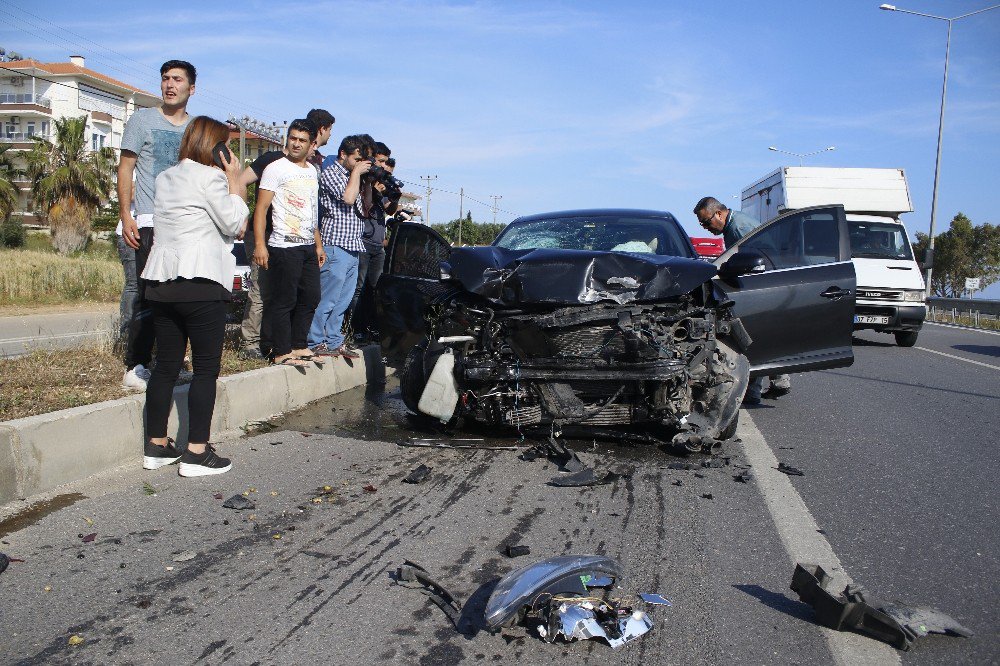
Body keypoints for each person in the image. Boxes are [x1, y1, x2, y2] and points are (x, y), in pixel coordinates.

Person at [140, 116, 247, 476]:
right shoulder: (212, 177)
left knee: (166, 366)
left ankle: (156, 447)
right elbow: (235, 224)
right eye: (226, 145)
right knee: (205, 370)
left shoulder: (165, 176)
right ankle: (197, 453)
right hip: (200, 283)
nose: (229, 151)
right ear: (215, 147)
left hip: (162, 281)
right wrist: (235, 183)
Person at [118, 60, 196, 391]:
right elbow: (125, 167)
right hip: (149, 220)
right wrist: (126, 216)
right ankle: (136, 365)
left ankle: (169, 362)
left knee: (179, 296)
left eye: (177, 79)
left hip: (183, 224)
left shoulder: (195, 129)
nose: (169, 84)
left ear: (191, 88)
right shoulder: (142, 119)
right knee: (148, 296)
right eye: (165, 78)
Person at [237, 108, 334, 359]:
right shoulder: (275, 167)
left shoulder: (312, 171)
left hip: (307, 245)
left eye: (302, 140)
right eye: (293, 138)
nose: (296, 144)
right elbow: (261, 209)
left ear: (312, 143)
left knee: (311, 297)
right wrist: (260, 244)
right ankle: (279, 350)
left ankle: (298, 345)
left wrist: (318, 245)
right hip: (282, 244)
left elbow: (312, 212)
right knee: (282, 298)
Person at [693, 196, 791, 404]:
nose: (705, 228)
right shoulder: (733, 225)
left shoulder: (739, 228)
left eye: (706, 222)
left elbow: (751, 262)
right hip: (766, 283)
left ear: (718, 213)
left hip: (762, 286)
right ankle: (777, 379)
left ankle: (755, 390)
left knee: (749, 335)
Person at [308, 135, 371, 358]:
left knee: (342, 301)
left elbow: (366, 207)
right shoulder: (331, 174)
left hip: (353, 246)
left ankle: (334, 341)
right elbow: (348, 199)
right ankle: (315, 340)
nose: (360, 164)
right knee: (328, 299)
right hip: (335, 245)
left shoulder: (354, 176)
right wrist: (356, 174)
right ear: (343, 155)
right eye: (357, 159)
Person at [350, 150, 400, 340]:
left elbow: (390, 209)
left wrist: (394, 196)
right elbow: (364, 208)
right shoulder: (364, 181)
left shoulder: (383, 183)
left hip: (377, 245)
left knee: (375, 289)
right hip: (363, 242)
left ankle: (371, 327)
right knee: (358, 289)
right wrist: (373, 189)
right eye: (381, 162)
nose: (383, 168)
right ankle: (356, 329)